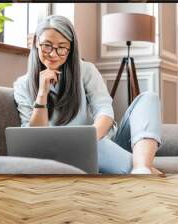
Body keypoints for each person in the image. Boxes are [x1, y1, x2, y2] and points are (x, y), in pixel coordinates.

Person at [13, 15, 163, 174]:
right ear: (36, 42)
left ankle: (142, 168)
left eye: (62, 47)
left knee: (149, 98)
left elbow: (105, 111)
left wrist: (88, 141)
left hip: (102, 142)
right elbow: (35, 137)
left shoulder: (86, 70)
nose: (53, 54)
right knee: (97, 145)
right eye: (47, 46)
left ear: (71, 48)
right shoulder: (22, 85)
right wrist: (42, 93)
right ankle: (145, 169)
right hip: (74, 154)